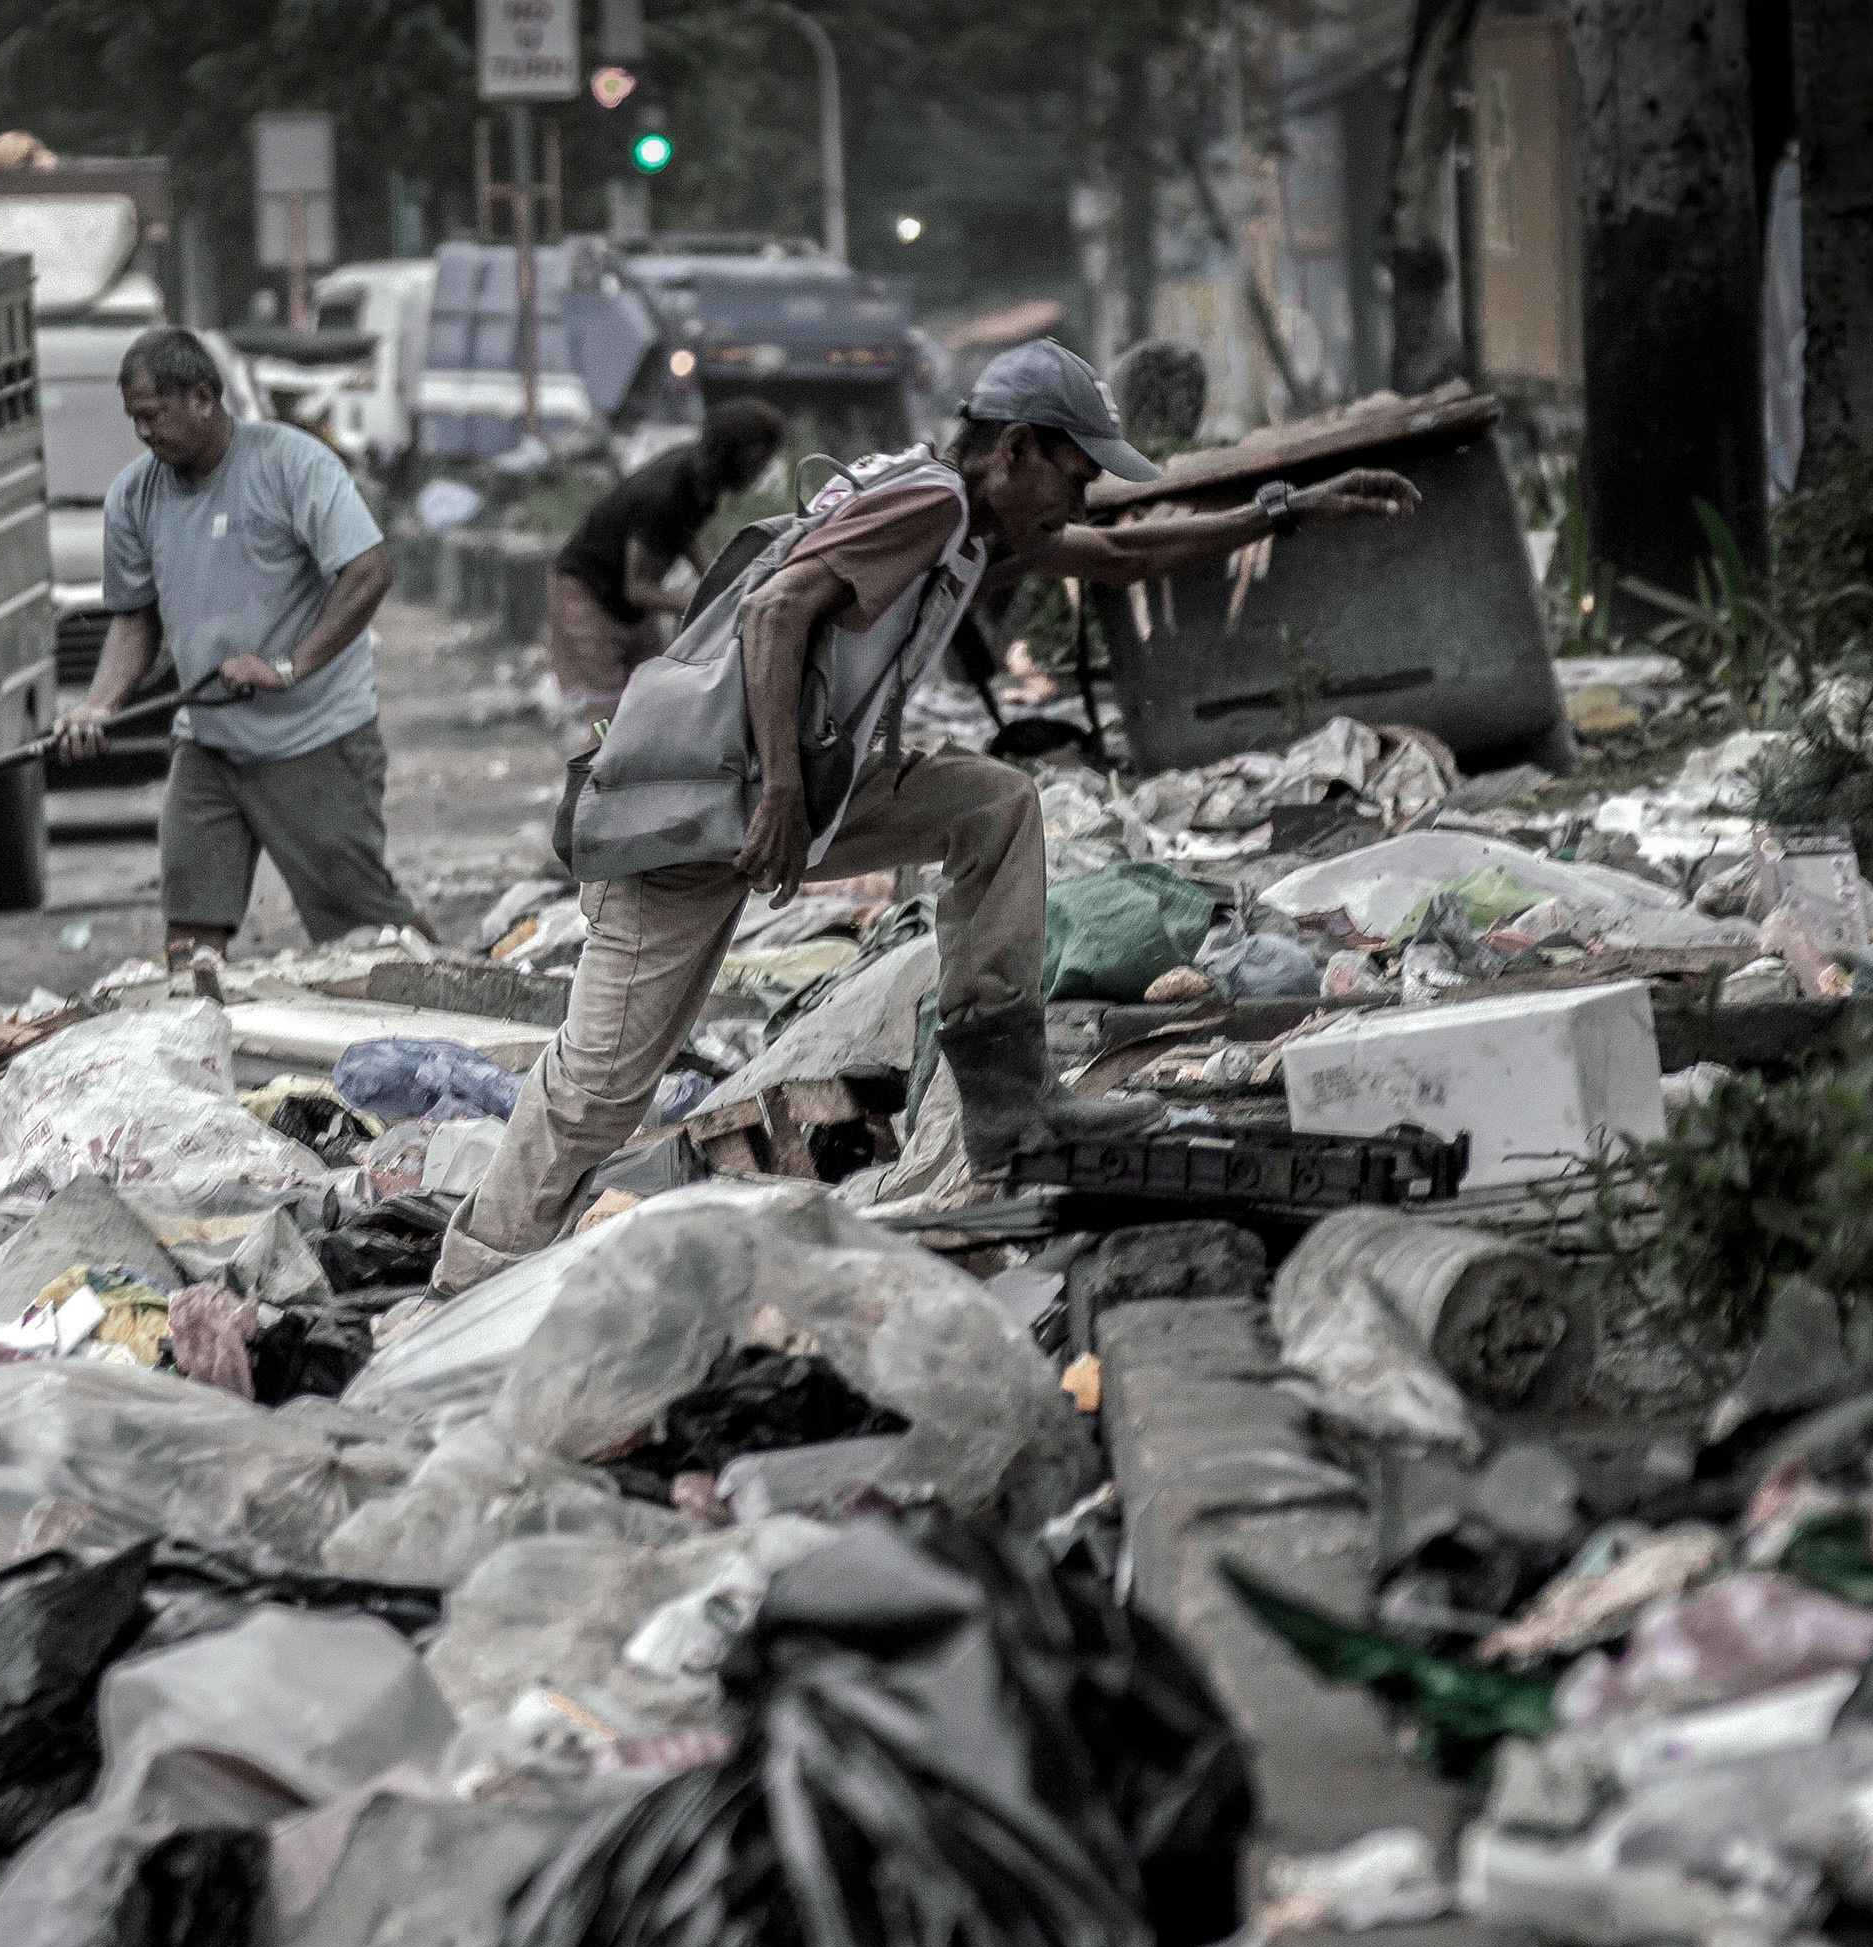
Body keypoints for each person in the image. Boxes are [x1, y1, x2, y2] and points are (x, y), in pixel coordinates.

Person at [435, 339, 1418, 1293]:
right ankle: (469, 1277)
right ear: (1016, 449)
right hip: (699, 808)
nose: (1077, 502)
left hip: (791, 790)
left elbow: (1120, 553)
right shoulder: (931, 499)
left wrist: (1284, 513)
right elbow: (776, 612)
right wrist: (781, 790)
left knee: (993, 807)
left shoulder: (969, 524)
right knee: (605, 1082)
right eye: (1073, 476)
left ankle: (1011, 1107)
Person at [51, 328, 430, 964]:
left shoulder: (292, 464)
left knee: (366, 933)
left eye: (154, 415)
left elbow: (368, 571)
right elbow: (134, 620)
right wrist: (99, 704)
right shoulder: (134, 496)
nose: (143, 433)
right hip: (208, 741)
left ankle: (463, 1006)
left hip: (314, 736)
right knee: (191, 939)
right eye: (134, 420)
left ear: (203, 397)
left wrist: (288, 666)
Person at [548, 398, 788, 721]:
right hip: (588, 593)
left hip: (627, 606)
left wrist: (722, 580)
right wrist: (709, 602)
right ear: (734, 453)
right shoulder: (664, 493)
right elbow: (638, 588)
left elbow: (682, 533)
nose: (759, 474)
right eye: (758, 462)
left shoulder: (701, 482)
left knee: (654, 702)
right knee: (605, 720)